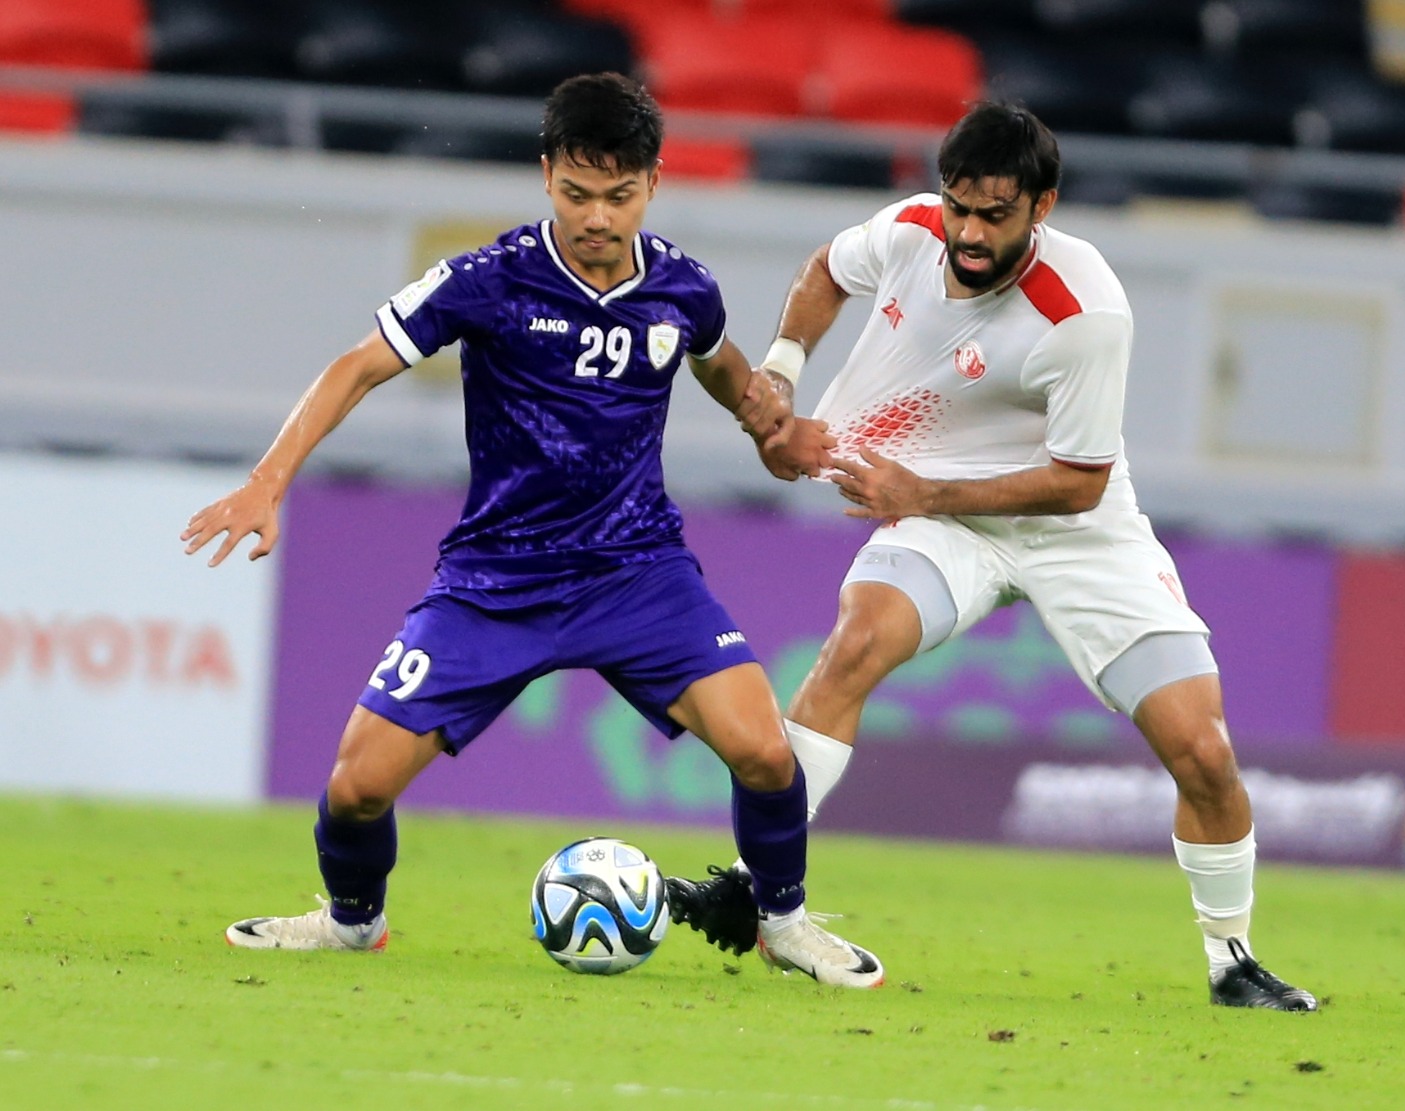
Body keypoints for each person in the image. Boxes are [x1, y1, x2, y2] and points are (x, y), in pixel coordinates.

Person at [180, 73, 883, 989]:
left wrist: (767, 428)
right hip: (496, 583)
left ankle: (782, 922)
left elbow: (718, 363)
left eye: (619, 196)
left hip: (638, 571)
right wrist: (267, 481)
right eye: (577, 193)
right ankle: (351, 921)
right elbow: (358, 365)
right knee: (355, 786)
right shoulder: (489, 279)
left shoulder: (683, 287)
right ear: (546, 174)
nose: (597, 217)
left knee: (764, 751)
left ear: (653, 183)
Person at [668, 101, 1317, 1011]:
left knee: (1202, 749)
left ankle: (1232, 959)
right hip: (942, 512)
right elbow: (826, 270)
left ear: (1041, 208)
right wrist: (780, 369)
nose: (969, 234)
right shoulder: (910, 231)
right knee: (858, 641)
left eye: (995, 215)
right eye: (959, 208)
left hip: (1071, 529)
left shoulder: (1083, 315)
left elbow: (1078, 484)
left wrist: (923, 494)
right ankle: (757, 887)